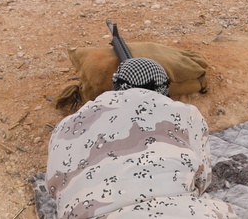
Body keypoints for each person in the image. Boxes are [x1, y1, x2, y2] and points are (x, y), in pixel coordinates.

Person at [46, 57, 237, 219]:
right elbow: (202, 179)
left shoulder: (64, 126)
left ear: (115, 85)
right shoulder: (186, 114)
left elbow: (55, 189)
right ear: (164, 89)